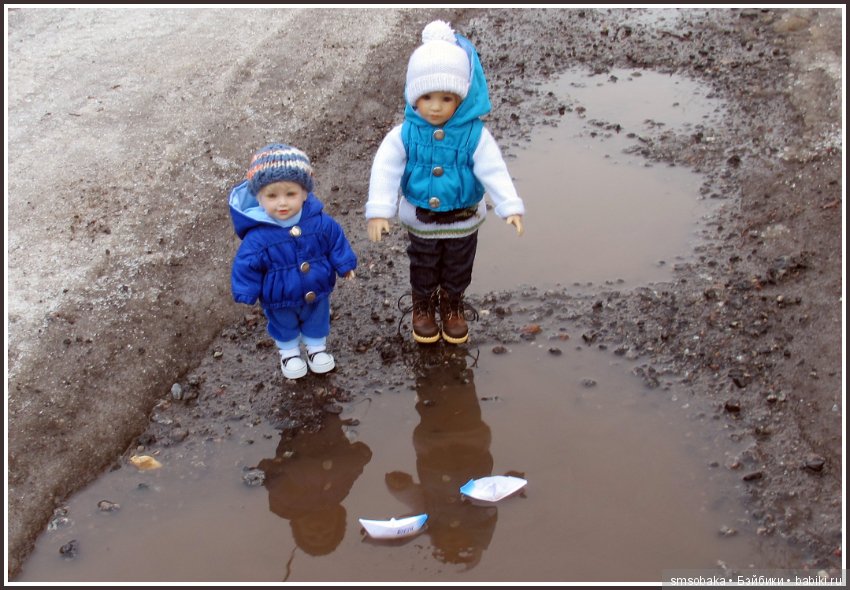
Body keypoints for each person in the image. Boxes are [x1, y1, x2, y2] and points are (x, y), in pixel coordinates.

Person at [365, 20, 525, 345]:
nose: (435, 107)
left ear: (461, 98)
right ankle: (422, 305)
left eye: (446, 98)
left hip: (464, 217)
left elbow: (493, 168)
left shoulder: (474, 134)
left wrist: (508, 205)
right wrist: (380, 209)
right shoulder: (405, 134)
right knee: (422, 262)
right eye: (426, 97)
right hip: (421, 216)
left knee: (458, 264)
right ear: (413, 97)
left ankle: (453, 304)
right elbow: (386, 167)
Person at [229, 143, 357, 379]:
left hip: (316, 287)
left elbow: (335, 240)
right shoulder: (258, 236)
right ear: (259, 198)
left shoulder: (318, 222)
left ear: (305, 193)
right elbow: (246, 264)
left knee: (317, 317)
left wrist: (344, 264)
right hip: (279, 295)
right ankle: (289, 353)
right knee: (283, 323)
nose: (282, 203)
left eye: (291, 194)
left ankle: (316, 350)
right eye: (272, 196)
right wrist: (246, 290)